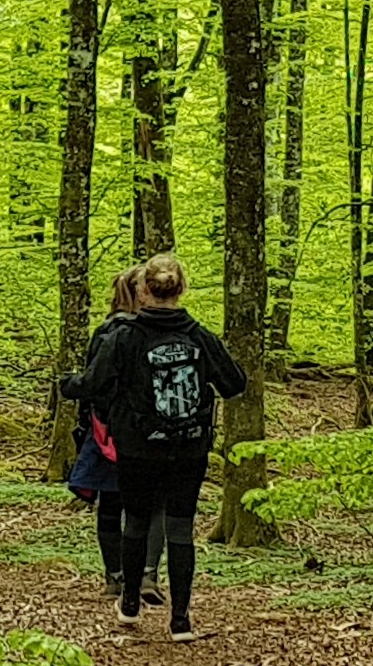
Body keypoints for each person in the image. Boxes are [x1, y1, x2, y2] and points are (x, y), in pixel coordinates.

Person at [76, 254, 249, 644]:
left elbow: (93, 383)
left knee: (135, 522)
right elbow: (235, 383)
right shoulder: (199, 336)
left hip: (138, 447)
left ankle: (130, 603)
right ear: (181, 289)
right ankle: (181, 621)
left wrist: (65, 384)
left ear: (142, 290)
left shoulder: (124, 336)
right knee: (180, 529)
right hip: (189, 448)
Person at [59, 265, 142, 586]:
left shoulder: (109, 331)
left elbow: (92, 383)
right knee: (129, 507)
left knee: (112, 506)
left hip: (108, 431)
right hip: (126, 431)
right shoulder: (125, 332)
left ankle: (117, 574)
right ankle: (125, 575)